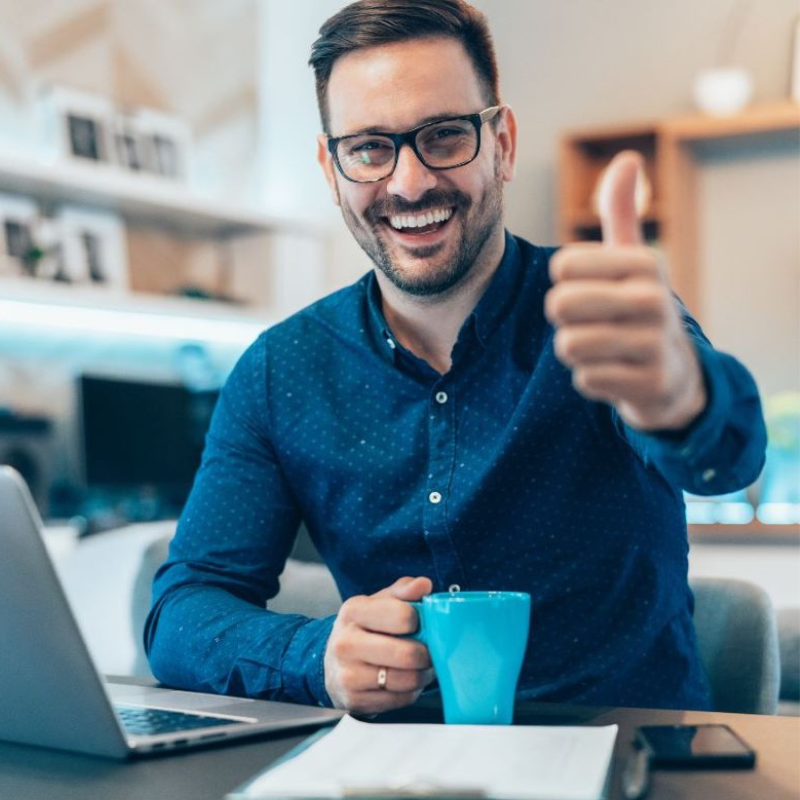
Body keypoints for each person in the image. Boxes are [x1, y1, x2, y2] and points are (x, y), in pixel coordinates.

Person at [145, 0, 766, 716]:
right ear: (331, 166)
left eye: (444, 136)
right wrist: (315, 657)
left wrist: (683, 400)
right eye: (371, 147)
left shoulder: (600, 310)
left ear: (501, 142)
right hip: (395, 775)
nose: (409, 183)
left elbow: (730, 461)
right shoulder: (279, 372)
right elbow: (183, 613)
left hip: (622, 758)